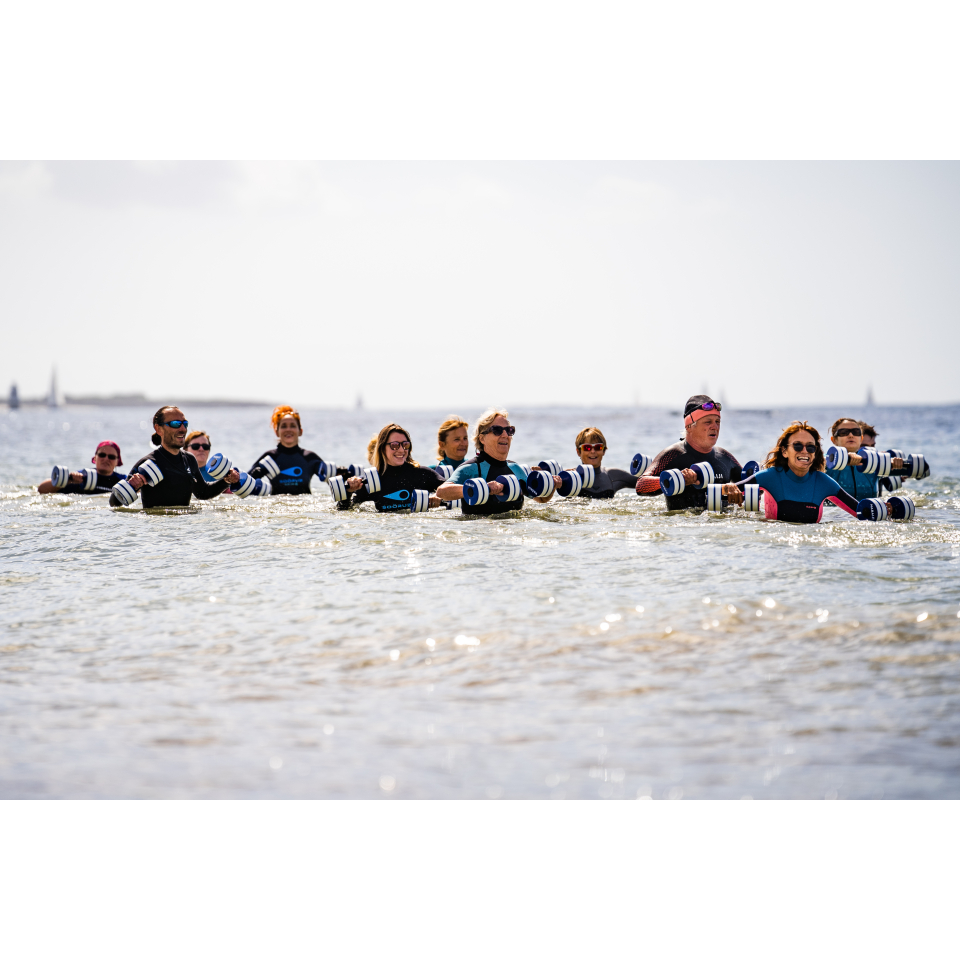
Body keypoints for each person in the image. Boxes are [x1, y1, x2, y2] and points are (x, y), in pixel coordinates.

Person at [109, 406, 239, 508]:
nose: (182, 429)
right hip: (157, 529)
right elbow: (114, 503)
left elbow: (203, 493)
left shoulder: (189, 460)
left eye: (185, 424)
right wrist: (131, 485)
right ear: (159, 429)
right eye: (176, 424)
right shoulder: (148, 463)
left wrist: (226, 480)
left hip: (184, 527)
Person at [437, 409, 555, 516]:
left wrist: (552, 484)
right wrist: (483, 488)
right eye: (497, 430)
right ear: (482, 438)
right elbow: (442, 492)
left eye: (509, 430)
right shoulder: (471, 468)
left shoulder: (515, 468)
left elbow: (541, 499)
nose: (505, 435)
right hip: (479, 530)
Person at [635, 395, 743, 509]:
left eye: (717, 421)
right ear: (689, 426)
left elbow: (752, 486)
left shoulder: (724, 456)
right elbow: (641, 485)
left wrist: (733, 488)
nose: (715, 427)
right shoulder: (673, 454)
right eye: (708, 422)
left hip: (721, 520)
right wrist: (679, 478)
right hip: (683, 519)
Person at [751, 421, 859, 523]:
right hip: (773, 536)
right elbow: (740, 488)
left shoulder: (824, 482)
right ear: (784, 451)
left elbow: (861, 511)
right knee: (750, 505)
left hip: (811, 537)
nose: (804, 451)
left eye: (810, 447)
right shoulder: (770, 476)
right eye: (797, 446)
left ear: (815, 452)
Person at [338, 423, 442, 512]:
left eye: (405, 445)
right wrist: (349, 491)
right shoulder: (370, 481)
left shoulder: (423, 474)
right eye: (395, 445)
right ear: (382, 448)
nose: (401, 450)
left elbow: (450, 489)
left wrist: (438, 496)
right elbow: (344, 510)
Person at [248, 405, 328, 495]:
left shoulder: (310, 457)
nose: (288, 429)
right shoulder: (269, 457)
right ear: (276, 432)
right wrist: (254, 476)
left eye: (293, 426)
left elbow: (333, 481)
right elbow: (243, 484)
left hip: (306, 503)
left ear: (300, 431)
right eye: (284, 426)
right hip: (276, 503)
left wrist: (340, 472)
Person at [825, 417, 909, 500]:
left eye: (856, 432)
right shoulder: (824, 461)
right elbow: (819, 461)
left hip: (869, 507)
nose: (851, 435)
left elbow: (905, 471)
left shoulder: (877, 460)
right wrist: (846, 458)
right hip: (832, 509)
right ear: (834, 440)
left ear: (861, 439)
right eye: (843, 432)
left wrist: (895, 463)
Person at [567, 427, 635, 499]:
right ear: (578, 452)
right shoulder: (569, 477)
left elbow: (642, 483)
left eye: (598, 447)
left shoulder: (613, 476)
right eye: (587, 447)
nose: (593, 451)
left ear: (604, 451)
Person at [38, 441, 127, 494]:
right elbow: (41, 489)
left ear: (117, 461)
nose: (106, 459)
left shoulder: (123, 481)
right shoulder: (81, 476)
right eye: (102, 455)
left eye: (111, 457)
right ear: (95, 458)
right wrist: (68, 480)